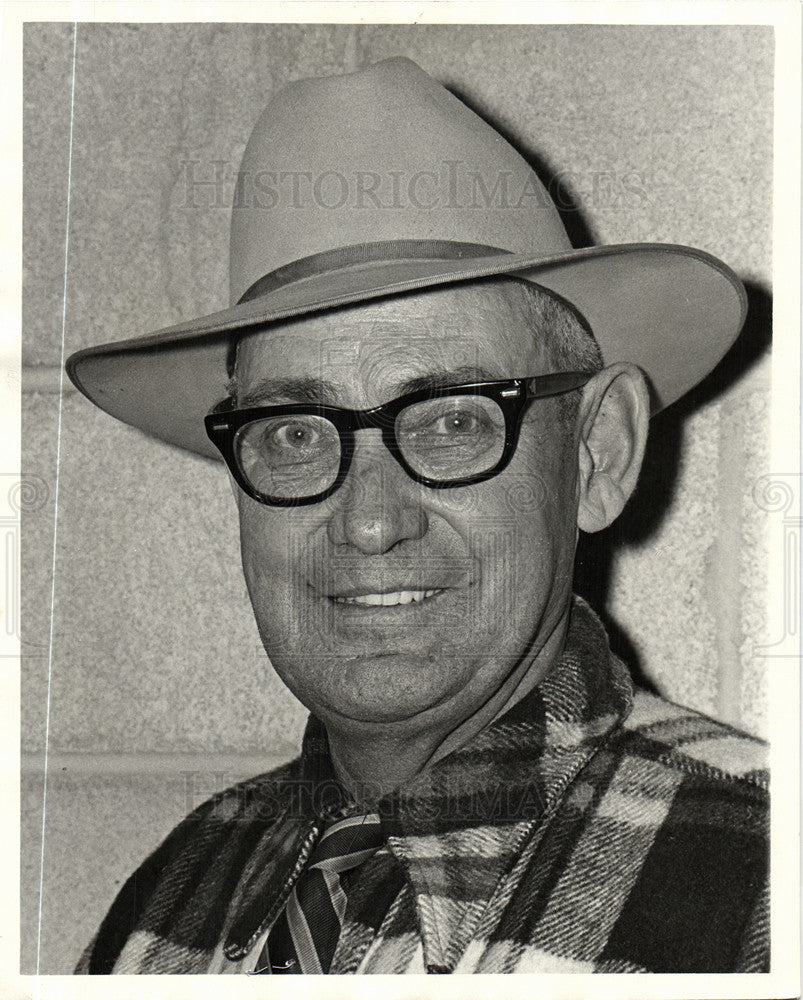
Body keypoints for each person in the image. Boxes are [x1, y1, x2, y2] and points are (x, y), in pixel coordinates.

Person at [66, 57, 768, 975]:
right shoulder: (173, 893)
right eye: (293, 434)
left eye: (451, 422)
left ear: (596, 452)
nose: (367, 523)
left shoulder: (761, 888)